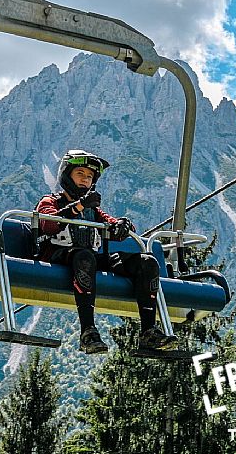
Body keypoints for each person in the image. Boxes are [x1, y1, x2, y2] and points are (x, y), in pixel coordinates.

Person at [36, 149, 179, 354]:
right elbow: (49, 225)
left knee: (147, 261)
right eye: (80, 174)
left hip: (90, 258)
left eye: (89, 177)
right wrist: (77, 207)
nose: (85, 180)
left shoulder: (92, 211)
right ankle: (88, 332)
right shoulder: (50, 202)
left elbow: (112, 225)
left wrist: (122, 224)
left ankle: (148, 331)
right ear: (67, 175)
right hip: (59, 256)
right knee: (84, 256)